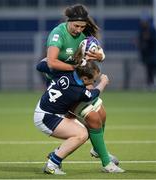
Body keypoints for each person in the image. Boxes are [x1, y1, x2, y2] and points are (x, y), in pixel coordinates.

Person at [37, 3, 124, 173]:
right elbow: (51, 62)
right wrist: (75, 68)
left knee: (101, 114)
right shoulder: (58, 34)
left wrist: (101, 55)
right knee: (92, 119)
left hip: (80, 81)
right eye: (76, 26)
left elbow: (95, 50)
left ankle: (97, 150)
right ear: (69, 21)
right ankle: (106, 163)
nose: (78, 30)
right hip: (66, 85)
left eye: (82, 26)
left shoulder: (83, 33)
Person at [34, 56, 124, 175]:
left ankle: (59, 152)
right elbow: (93, 94)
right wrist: (103, 83)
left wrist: (56, 57)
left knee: (89, 128)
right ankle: (52, 164)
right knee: (81, 134)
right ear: (85, 78)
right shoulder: (77, 90)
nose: (93, 83)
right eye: (94, 80)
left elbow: (41, 65)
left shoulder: (65, 71)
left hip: (50, 111)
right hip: (47, 117)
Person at [138, 16, 156, 90]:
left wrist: (148, 38)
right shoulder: (142, 30)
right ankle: (150, 84)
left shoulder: (151, 30)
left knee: (152, 70)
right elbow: (142, 41)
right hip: (148, 55)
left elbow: (153, 40)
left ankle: (151, 84)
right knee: (149, 70)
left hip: (153, 55)